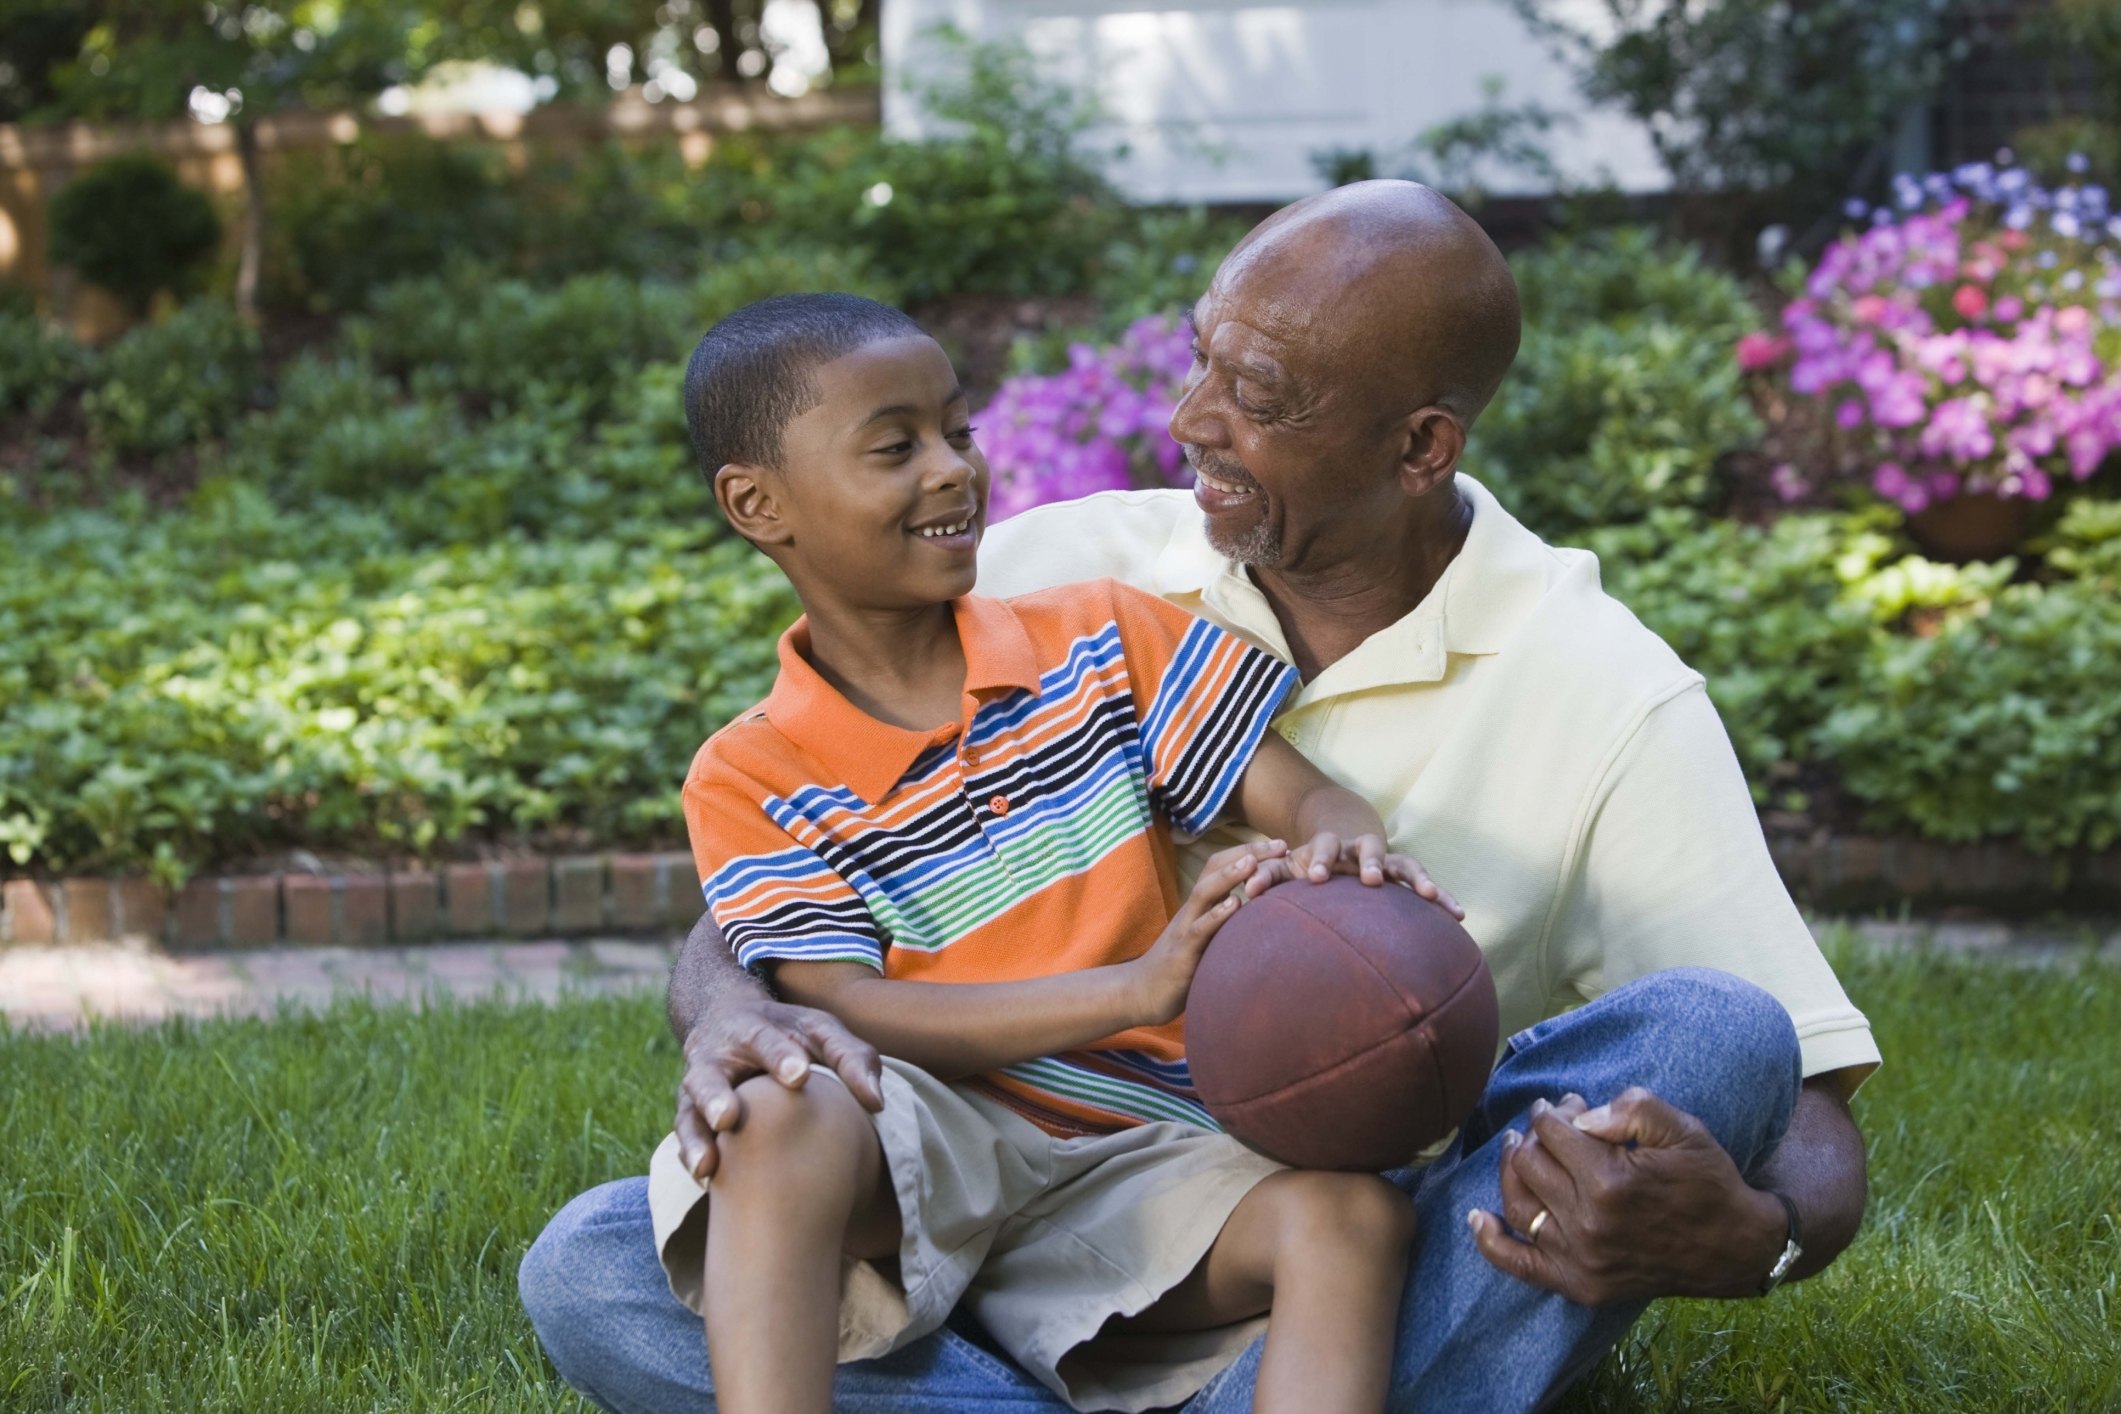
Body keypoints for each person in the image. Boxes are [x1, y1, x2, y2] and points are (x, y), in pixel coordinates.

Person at [522, 182, 1880, 1413]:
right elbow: (785, 896)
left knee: (1712, 1029)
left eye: (1261, 392)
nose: (1188, 420)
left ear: (1417, 447)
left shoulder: (1608, 693)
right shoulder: (1053, 570)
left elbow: (1806, 1102)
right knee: (597, 1263)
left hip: (1267, 1199)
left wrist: (1754, 1232)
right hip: (961, 1166)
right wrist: (742, 1017)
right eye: (1200, 358)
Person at [647, 291, 1466, 1414]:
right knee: (777, 1104)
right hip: (934, 1137)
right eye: (897, 447)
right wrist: (1133, 984)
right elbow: (848, 1006)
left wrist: (1346, 859)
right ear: (757, 502)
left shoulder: (1099, 637)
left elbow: (1310, 797)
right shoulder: (751, 770)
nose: (951, 470)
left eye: (959, 431)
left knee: (1355, 1219)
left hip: (1154, 1152)